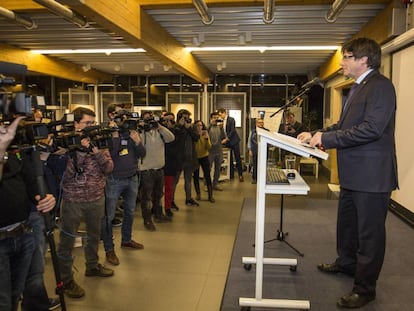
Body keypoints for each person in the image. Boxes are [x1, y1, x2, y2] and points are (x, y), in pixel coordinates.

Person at [298, 37, 398, 309]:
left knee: (369, 235)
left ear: (364, 60)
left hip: (372, 176)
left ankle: (365, 289)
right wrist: (317, 134)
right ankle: (346, 263)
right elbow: (345, 125)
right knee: (347, 225)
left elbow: (371, 129)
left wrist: (327, 140)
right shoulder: (357, 88)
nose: (342, 62)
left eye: (347, 56)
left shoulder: (381, 87)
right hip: (354, 174)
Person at [57, 107, 114, 299]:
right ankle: (66, 280)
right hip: (73, 200)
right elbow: (68, 174)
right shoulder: (66, 145)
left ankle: (92, 265)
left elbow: (108, 167)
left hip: (96, 197)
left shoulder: (99, 142)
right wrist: (80, 152)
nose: (91, 127)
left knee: (94, 235)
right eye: (87, 123)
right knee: (67, 241)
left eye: (93, 123)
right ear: (76, 124)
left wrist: (95, 151)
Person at [0, 116, 56, 311]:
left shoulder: (14, 153)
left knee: (15, 296)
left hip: (23, 233)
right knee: (4, 302)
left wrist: (46, 198)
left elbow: (32, 185)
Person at [101, 104, 146, 266]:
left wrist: (138, 142)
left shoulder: (132, 132)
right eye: (119, 116)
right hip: (114, 179)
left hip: (132, 177)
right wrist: (114, 135)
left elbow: (142, 154)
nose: (123, 120)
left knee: (130, 211)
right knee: (109, 216)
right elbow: (109, 155)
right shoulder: (106, 133)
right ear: (111, 116)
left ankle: (126, 239)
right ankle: (109, 249)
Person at [138, 111, 175, 231]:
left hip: (159, 168)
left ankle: (158, 215)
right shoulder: (141, 133)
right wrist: (142, 128)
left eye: (151, 119)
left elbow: (171, 138)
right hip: (146, 170)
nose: (150, 122)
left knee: (158, 195)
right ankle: (147, 219)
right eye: (147, 119)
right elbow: (137, 143)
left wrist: (159, 126)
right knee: (146, 197)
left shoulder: (159, 132)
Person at [174, 109, 200, 206]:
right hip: (179, 158)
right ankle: (171, 201)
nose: (187, 120)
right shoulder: (176, 127)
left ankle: (188, 199)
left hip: (189, 157)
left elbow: (196, 138)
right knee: (175, 181)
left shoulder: (191, 127)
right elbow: (175, 139)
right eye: (184, 118)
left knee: (188, 180)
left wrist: (189, 128)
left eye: (188, 118)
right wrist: (181, 127)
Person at [217, 108, 244, 182]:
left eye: (220, 114)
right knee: (230, 159)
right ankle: (231, 175)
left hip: (234, 141)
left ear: (224, 113)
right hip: (228, 142)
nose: (220, 116)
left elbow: (232, 130)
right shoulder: (221, 121)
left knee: (237, 158)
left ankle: (240, 175)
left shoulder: (231, 119)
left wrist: (227, 138)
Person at [162, 112, 180, 218]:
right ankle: (156, 208)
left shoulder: (177, 132)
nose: (168, 122)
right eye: (166, 120)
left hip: (171, 164)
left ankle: (168, 207)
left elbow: (177, 145)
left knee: (169, 188)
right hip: (159, 163)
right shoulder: (158, 132)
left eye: (171, 120)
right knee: (157, 190)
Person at [193, 120, 214, 203]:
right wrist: (197, 136)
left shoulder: (205, 134)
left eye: (200, 125)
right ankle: (198, 194)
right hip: (195, 157)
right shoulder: (193, 135)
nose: (199, 127)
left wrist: (206, 138)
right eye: (197, 125)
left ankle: (210, 195)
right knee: (196, 176)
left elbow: (209, 147)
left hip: (204, 156)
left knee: (207, 175)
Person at [207, 112, 226, 191]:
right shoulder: (208, 127)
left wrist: (221, 128)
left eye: (216, 117)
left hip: (219, 151)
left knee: (218, 168)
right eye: (214, 117)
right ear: (210, 118)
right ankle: (207, 184)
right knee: (208, 168)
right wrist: (210, 124)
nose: (215, 119)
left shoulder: (220, 127)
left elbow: (223, 138)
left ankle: (215, 184)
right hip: (210, 151)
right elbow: (205, 134)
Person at [247, 118, 267, 184]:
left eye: (262, 122)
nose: (260, 124)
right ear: (256, 123)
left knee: (263, 165)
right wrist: (250, 150)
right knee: (255, 164)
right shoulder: (252, 131)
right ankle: (254, 178)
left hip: (264, 150)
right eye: (259, 122)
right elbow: (249, 141)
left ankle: (263, 179)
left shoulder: (267, 131)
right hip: (255, 150)